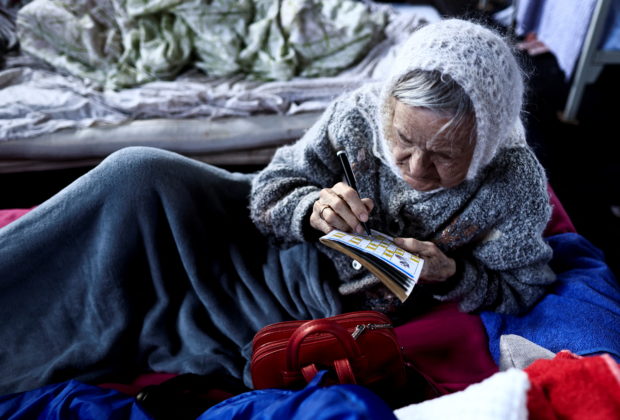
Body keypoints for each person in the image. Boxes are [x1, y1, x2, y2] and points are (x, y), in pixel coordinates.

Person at [0, 19, 555, 396]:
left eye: (444, 156)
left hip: (299, 300)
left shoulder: (514, 183)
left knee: (147, 310)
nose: (413, 166)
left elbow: (524, 287)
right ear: (385, 104)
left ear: (483, 144)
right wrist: (312, 206)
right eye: (402, 139)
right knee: (138, 172)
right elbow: (269, 192)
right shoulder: (357, 113)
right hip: (257, 234)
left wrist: (451, 273)